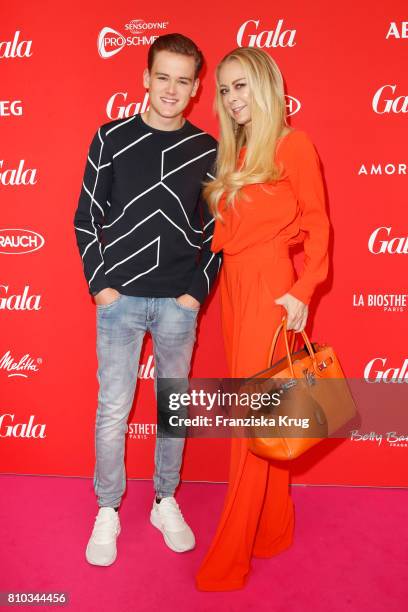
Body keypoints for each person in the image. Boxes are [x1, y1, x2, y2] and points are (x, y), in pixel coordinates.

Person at [73, 33, 219, 567]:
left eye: (183, 80)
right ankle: (107, 508)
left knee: (172, 411)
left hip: (178, 304)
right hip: (119, 301)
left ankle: (165, 500)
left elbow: (215, 232)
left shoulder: (208, 150)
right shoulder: (110, 138)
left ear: (197, 88)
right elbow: (86, 217)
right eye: (163, 77)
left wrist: (193, 295)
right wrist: (101, 286)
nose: (172, 89)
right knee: (113, 410)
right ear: (145, 78)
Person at [195, 47, 330, 590]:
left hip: (271, 290)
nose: (232, 99)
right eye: (225, 90)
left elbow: (318, 224)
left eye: (241, 86)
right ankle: (273, 529)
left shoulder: (293, 145)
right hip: (236, 288)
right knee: (266, 413)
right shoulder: (241, 152)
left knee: (253, 421)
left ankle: (230, 556)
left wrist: (302, 289)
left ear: (266, 85)